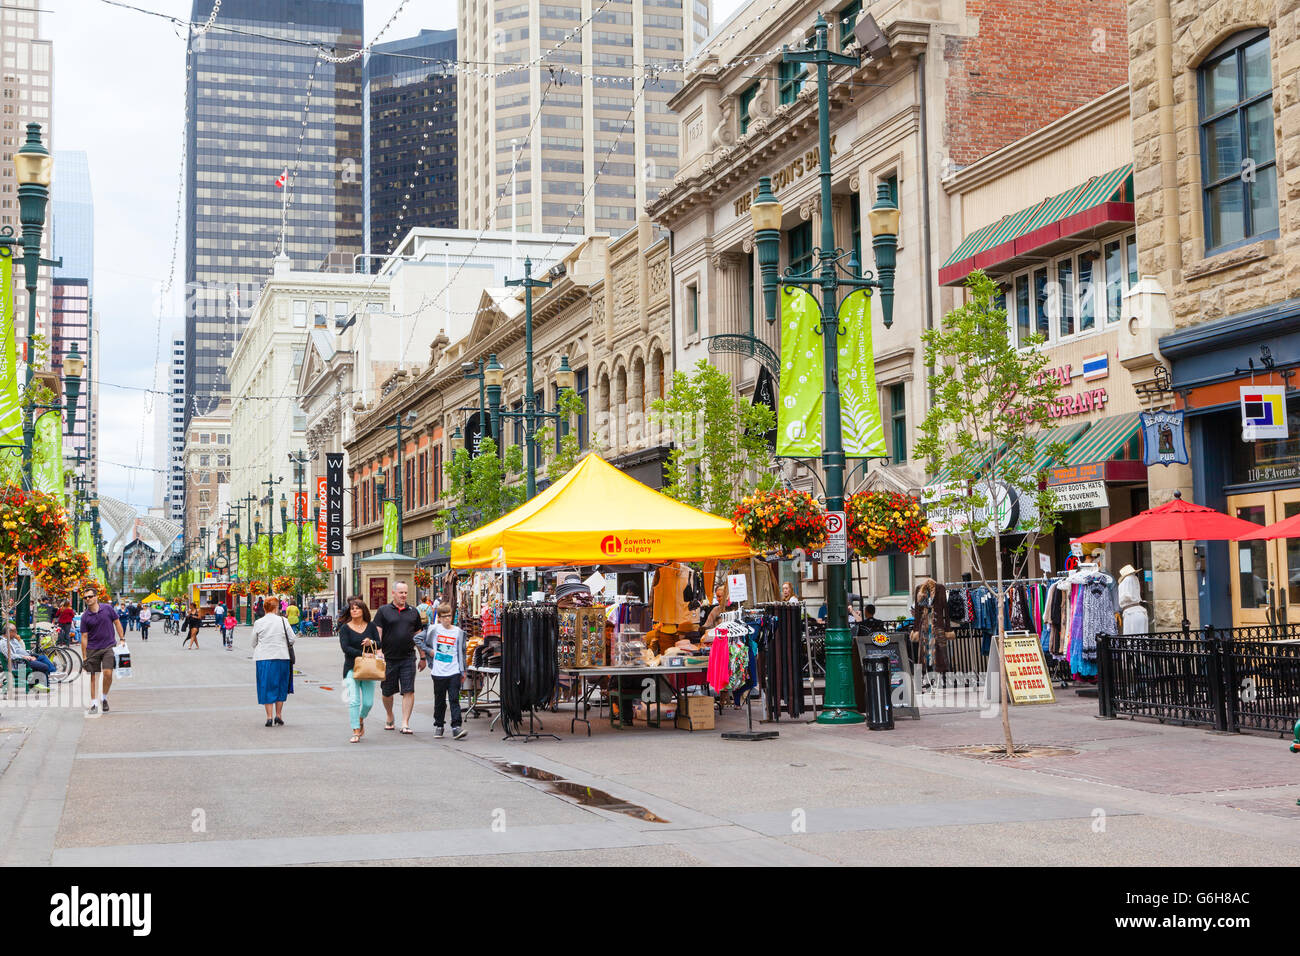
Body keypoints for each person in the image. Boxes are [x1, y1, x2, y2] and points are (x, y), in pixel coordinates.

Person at [373, 582, 423, 735]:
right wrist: (379, 651)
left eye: (406, 593)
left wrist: (422, 655)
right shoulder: (383, 611)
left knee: (409, 690)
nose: (403, 595)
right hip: (388, 658)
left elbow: (418, 635)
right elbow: (377, 633)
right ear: (393, 593)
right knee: (387, 691)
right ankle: (389, 715)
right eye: (401, 592)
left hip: (408, 657)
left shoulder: (413, 612)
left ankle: (405, 722)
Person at [416, 603, 468, 740]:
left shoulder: (458, 632)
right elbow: (417, 638)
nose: (447, 619)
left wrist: (463, 670)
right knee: (439, 701)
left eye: (449, 616)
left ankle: (456, 727)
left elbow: (462, 652)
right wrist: (429, 651)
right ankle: (439, 725)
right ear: (438, 618)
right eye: (444, 617)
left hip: (454, 671)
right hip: (438, 672)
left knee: (454, 699)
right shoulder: (433, 629)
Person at [339, 596, 380, 743]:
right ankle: (355, 730)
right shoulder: (345, 628)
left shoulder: (371, 626)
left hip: (368, 669)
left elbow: (379, 644)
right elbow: (345, 648)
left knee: (368, 703)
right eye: (352, 609)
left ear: (363, 610)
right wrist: (363, 653)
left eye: (357, 608)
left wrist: (371, 642)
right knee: (354, 700)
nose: (355, 610)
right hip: (351, 668)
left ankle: (361, 718)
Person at [80, 585, 124, 717]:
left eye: (90, 596)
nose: (88, 599)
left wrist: (122, 638)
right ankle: (94, 703)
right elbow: (84, 637)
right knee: (94, 676)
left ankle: (103, 698)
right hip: (92, 649)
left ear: (96, 597)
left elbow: (117, 622)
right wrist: (84, 656)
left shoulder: (107, 609)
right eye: (85, 597)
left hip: (108, 646)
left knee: (108, 673)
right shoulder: (85, 616)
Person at [251, 595, 294, 726]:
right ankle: (278, 715)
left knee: (266, 685)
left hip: (264, 658)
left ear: (264, 608)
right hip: (281, 656)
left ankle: (269, 717)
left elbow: (253, 642)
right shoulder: (283, 621)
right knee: (280, 685)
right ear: (276, 608)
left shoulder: (259, 623)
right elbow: (292, 639)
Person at [2, 623, 55, 692]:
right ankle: (38, 684)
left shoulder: (13, 639)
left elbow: (21, 649)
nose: (16, 632)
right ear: (8, 632)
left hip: (24, 660)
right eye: (15, 631)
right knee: (44, 666)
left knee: (42, 658)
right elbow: (11, 656)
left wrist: (29, 655)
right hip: (19, 663)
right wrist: (25, 657)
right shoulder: (3, 643)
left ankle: (45, 681)